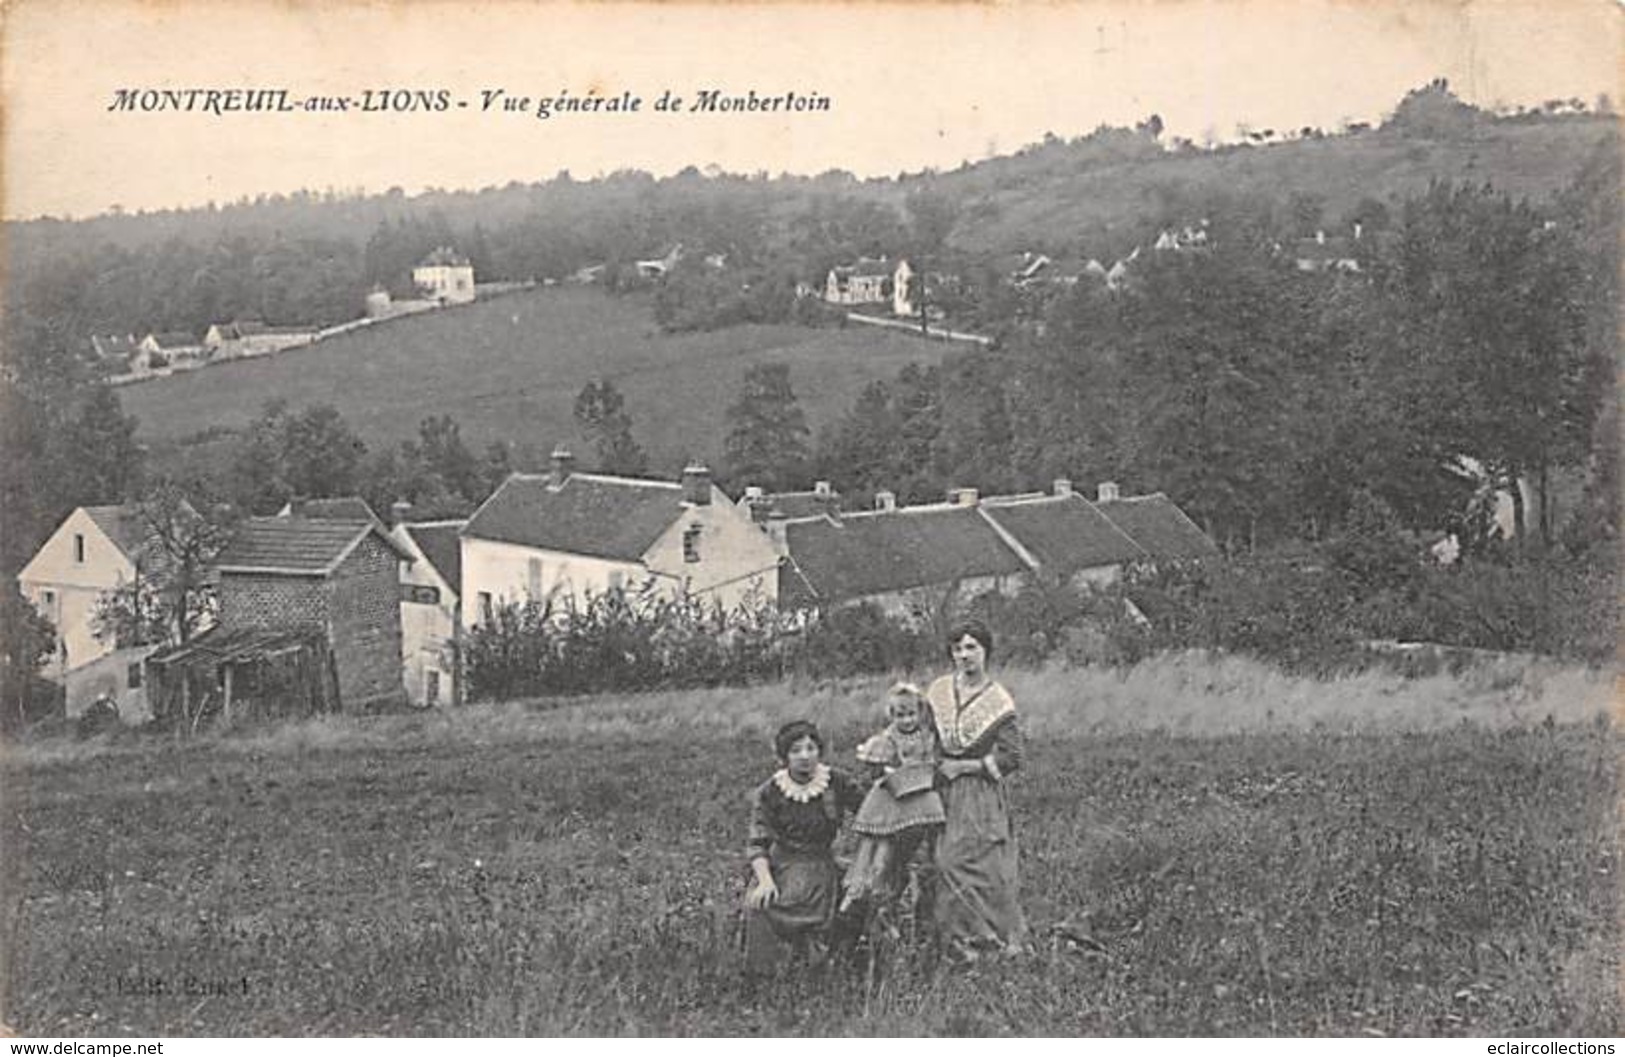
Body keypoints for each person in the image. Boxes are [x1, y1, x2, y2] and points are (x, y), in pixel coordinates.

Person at [924, 618, 1029, 957]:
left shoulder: (998, 700)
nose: (964, 655)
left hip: (979, 794)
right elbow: (929, 737)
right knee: (939, 862)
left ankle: (989, 939)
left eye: (972, 647)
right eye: (957, 649)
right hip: (942, 791)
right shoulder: (940, 691)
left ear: (986, 652)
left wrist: (967, 766)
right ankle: (953, 941)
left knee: (976, 865)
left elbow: (1013, 755)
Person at [743, 719, 865, 976]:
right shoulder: (771, 791)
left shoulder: (835, 782)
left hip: (821, 865)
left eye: (811, 748)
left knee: (847, 907)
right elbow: (757, 842)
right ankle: (766, 980)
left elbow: (870, 811)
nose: (805, 756)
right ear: (784, 756)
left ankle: (823, 975)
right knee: (759, 906)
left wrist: (864, 862)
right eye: (796, 750)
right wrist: (765, 881)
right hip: (782, 865)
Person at [840, 683, 945, 915]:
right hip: (895, 795)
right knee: (884, 848)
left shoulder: (927, 735)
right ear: (891, 715)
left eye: (911, 714)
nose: (906, 721)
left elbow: (932, 761)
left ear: (920, 713)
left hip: (922, 790)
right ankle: (874, 894)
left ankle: (923, 897)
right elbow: (874, 772)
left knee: (929, 842)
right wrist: (888, 771)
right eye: (900, 715)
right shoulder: (887, 738)